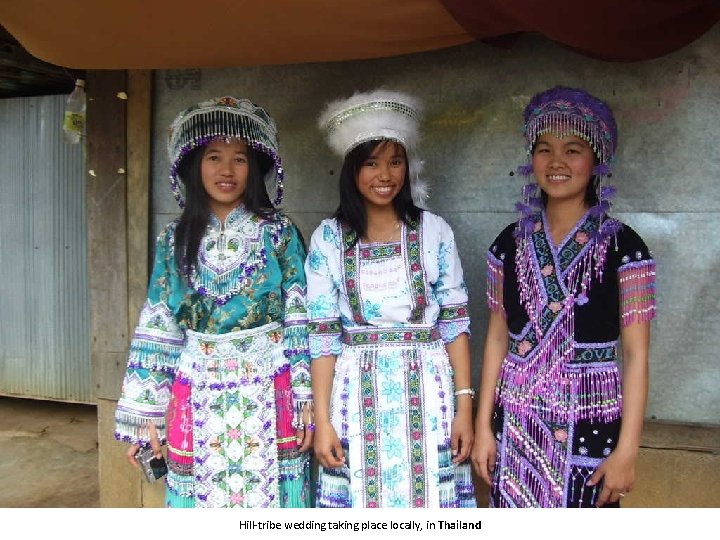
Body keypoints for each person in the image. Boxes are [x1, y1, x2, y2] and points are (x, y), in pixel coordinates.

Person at [114, 96, 313, 508]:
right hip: (194, 390)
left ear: (254, 167)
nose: (226, 170)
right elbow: (159, 323)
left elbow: (300, 317)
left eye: (239, 159)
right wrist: (144, 417)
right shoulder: (173, 239)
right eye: (214, 157)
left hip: (271, 388)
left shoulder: (279, 233)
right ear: (192, 166)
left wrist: (306, 399)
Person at [471, 86, 657, 508]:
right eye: (544, 149)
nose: (556, 163)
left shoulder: (624, 248)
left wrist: (628, 449)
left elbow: (636, 355)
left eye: (573, 150)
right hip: (516, 417)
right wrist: (484, 427)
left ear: (596, 162)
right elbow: (498, 338)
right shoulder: (509, 244)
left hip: (590, 416)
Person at [306, 89, 476, 508]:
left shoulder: (434, 231)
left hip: (429, 390)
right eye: (371, 163)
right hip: (355, 394)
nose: (386, 174)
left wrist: (465, 409)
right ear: (352, 170)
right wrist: (323, 421)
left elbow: (454, 324)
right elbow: (323, 335)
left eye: (395, 161)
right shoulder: (329, 238)